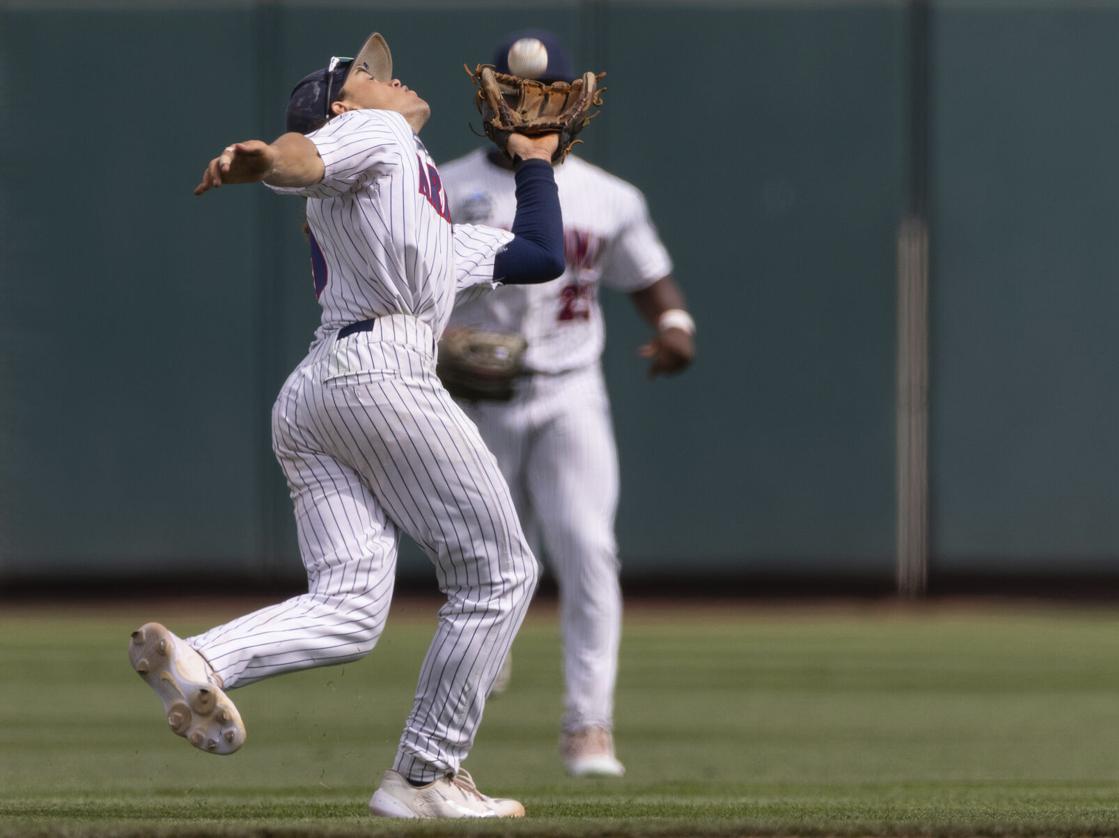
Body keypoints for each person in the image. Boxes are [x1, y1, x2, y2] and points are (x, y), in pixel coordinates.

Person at [128, 32, 568, 819]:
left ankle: (204, 659)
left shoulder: (423, 215)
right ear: (342, 104)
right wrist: (262, 160)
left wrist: (534, 161)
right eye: (368, 75)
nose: (386, 80)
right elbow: (301, 158)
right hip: (384, 377)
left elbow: (537, 253)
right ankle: (426, 776)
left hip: (316, 395)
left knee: (353, 608)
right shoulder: (378, 133)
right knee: (499, 575)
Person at [439, 30, 696, 778]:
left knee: (588, 548)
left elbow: (650, 278)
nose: (533, 104)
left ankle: (590, 725)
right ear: (488, 98)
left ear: (576, 100)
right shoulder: (445, 186)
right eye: (519, 92)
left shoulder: (610, 196)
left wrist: (676, 326)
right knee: (484, 559)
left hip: (570, 392)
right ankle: (472, 690)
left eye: (548, 91)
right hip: (474, 397)